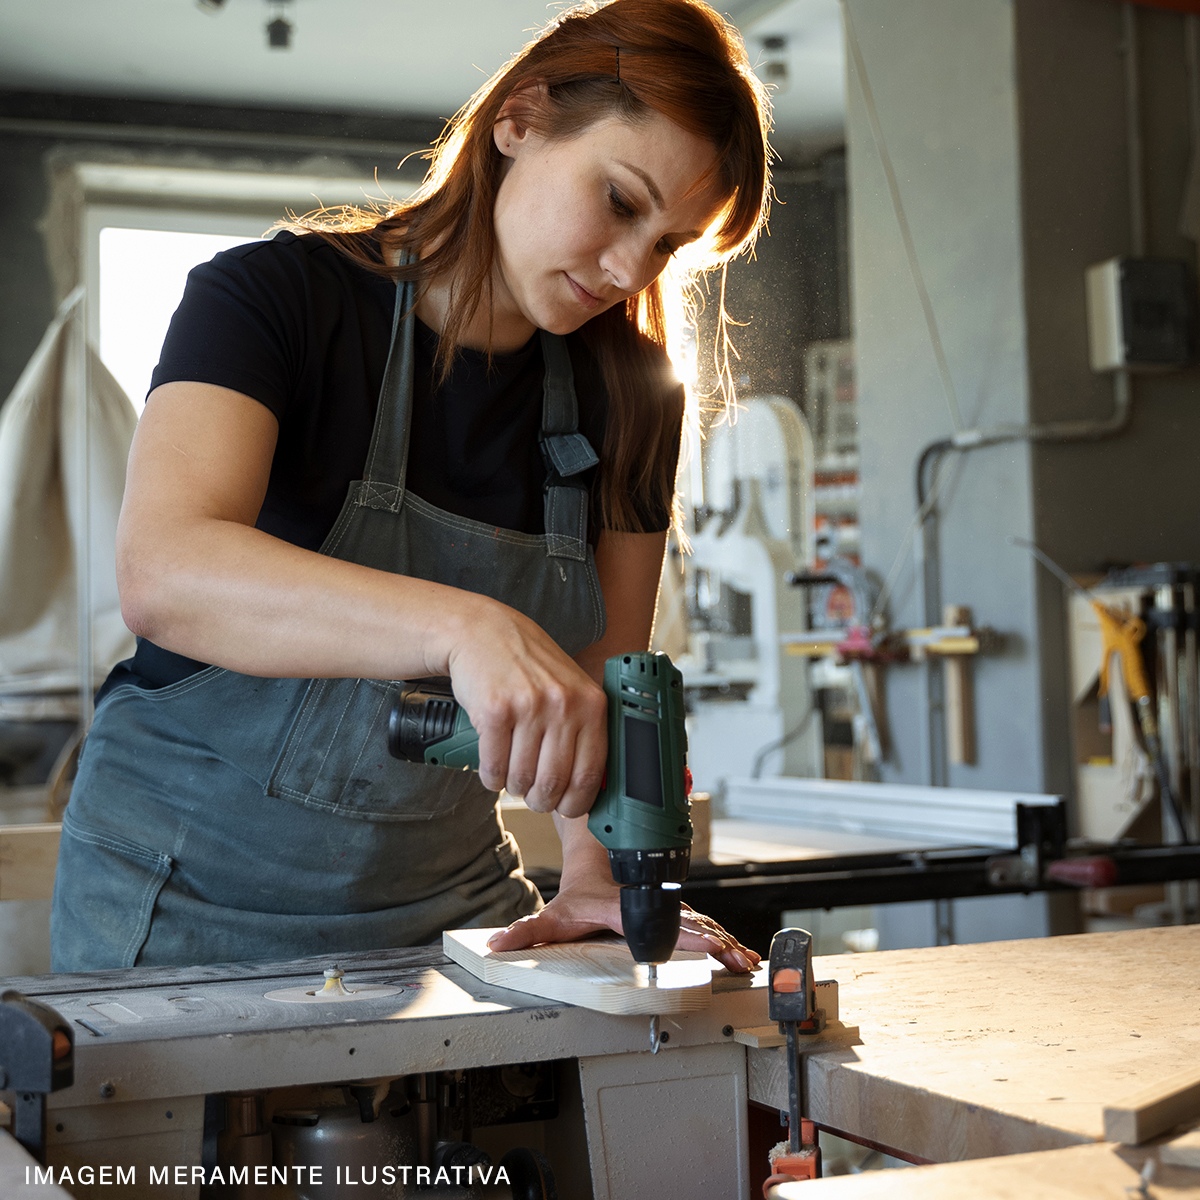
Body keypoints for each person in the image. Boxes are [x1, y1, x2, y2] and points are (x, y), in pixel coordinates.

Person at [50, 0, 771, 974]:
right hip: (182, 892)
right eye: (620, 202)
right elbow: (166, 570)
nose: (626, 268)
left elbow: (607, 676)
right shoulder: (268, 299)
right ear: (519, 119)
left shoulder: (633, 394)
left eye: (669, 245)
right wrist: (464, 628)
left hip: (451, 902)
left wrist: (599, 880)